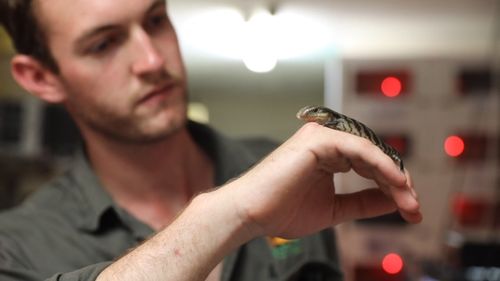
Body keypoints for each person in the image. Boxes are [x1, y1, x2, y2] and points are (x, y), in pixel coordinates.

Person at [0, 0, 422, 280]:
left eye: (155, 19)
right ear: (41, 77)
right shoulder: (16, 246)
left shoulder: (301, 171)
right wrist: (226, 214)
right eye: (104, 43)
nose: (152, 59)